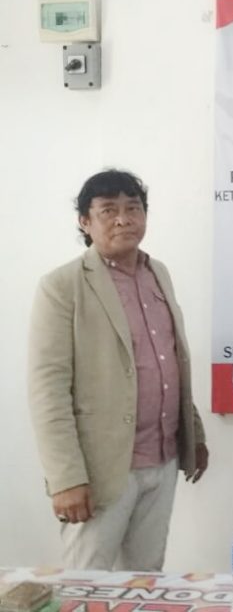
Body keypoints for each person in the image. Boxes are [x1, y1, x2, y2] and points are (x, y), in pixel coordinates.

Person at [27, 169, 208, 571]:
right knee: (86, 583)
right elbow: (47, 390)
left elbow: (171, 361)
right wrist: (66, 478)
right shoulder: (62, 286)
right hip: (101, 470)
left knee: (146, 579)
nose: (124, 219)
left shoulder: (158, 273)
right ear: (85, 222)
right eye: (108, 210)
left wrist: (193, 432)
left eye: (133, 208)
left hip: (161, 460)